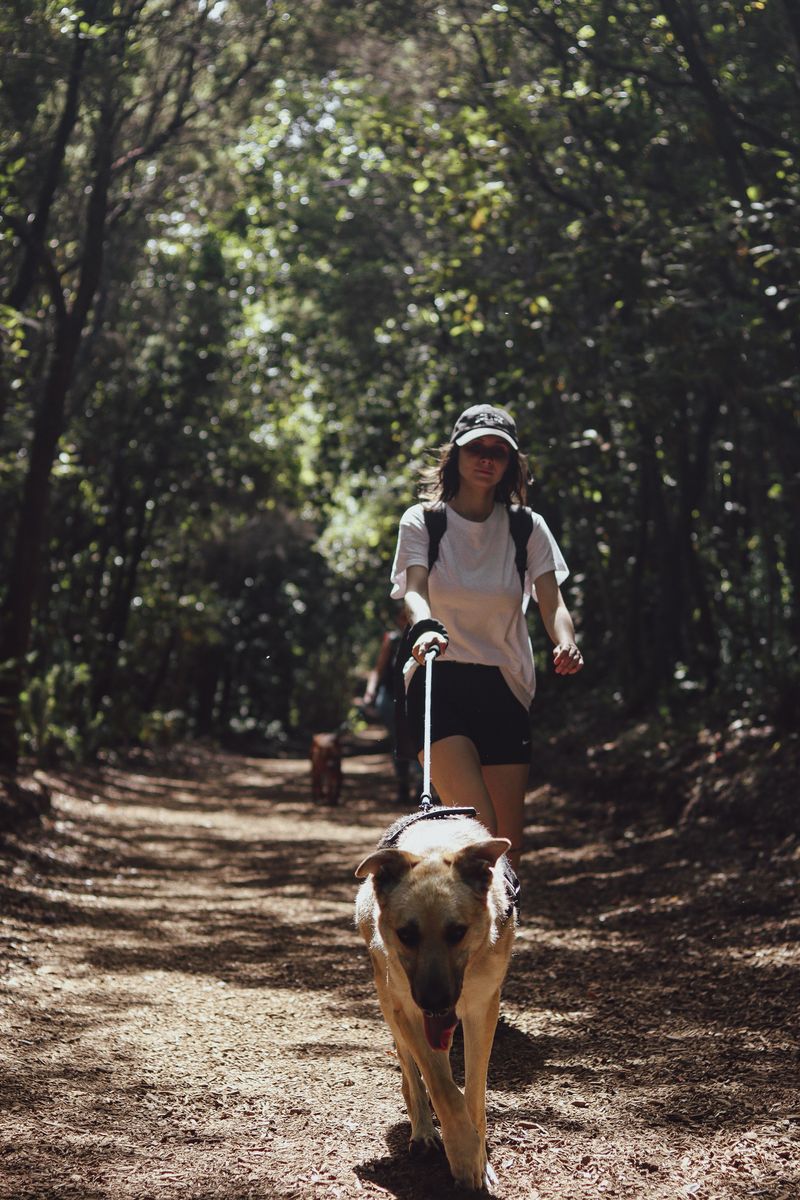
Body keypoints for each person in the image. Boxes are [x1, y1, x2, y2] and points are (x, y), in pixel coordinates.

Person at [389, 403, 584, 871]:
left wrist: (566, 641)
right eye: (476, 447)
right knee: (480, 832)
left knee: (506, 849)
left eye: (499, 451)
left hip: (504, 685)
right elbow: (414, 590)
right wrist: (424, 624)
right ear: (455, 454)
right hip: (438, 679)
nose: (486, 458)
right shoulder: (423, 521)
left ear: (510, 462)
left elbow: (552, 603)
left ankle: (496, 922)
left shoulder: (527, 527)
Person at [361, 606, 421, 804]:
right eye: (403, 617)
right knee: (399, 739)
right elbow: (378, 669)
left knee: (419, 739)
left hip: (415, 697)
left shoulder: (427, 638)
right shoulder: (392, 640)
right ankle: (403, 784)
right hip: (391, 698)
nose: (406, 620)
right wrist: (370, 692)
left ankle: (421, 786)